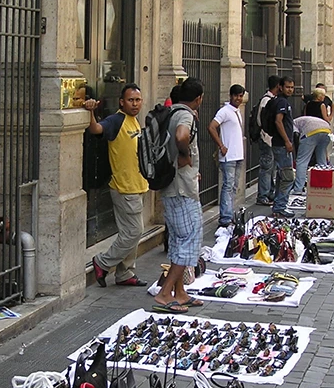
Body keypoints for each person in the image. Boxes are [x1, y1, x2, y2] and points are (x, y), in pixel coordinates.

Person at [85, 83, 149, 287]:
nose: (135, 103)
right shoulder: (117, 120)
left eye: (138, 100)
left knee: (130, 232)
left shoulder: (134, 121)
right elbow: (96, 129)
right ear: (122, 102)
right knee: (134, 231)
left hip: (138, 185)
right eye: (131, 100)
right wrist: (91, 112)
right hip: (124, 188)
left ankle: (125, 273)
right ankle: (102, 262)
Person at [153, 77, 204, 314]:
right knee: (188, 239)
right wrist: (185, 155)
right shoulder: (185, 115)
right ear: (198, 99)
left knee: (177, 239)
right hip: (182, 189)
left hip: (172, 186)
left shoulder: (169, 112)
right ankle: (165, 293)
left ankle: (180, 292)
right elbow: (182, 136)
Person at [208, 84, 246, 227]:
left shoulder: (236, 112)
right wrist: (221, 145)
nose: (238, 98)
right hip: (228, 156)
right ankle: (225, 218)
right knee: (228, 186)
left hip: (237, 155)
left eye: (241, 96)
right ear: (231, 96)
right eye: (236, 95)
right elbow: (211, 126)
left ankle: (229, 214)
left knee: (233, 186)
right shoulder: (224, 111)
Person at [270, 76, 297, 218]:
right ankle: (280, 206)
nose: (290, 90)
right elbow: (278, 121)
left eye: (292, 87)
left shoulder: (281, 101)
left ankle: (278, 205)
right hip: (282, 145)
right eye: (287, 87)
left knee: (282, 176)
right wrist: (287, 141)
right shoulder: (281, 102)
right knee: (288, 177)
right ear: (280, 87)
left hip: (280, 144)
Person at [254, 75, 280, 206]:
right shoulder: (266, 101)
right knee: (266, 167)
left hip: (269, 138)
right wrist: (269, 133)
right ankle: (263, 195)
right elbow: (262, 120)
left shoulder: (271, 100)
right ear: (277, 86)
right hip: (266, 138)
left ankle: (269, 192)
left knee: (271, 167)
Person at [292, 114, 333, 194]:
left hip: (311, 132)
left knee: (302, 161)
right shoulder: (304, 119)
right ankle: (323, 185)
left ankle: (298, 189)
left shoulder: (293, 123)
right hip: (327, 130)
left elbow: (295, 136)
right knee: (321, 159)